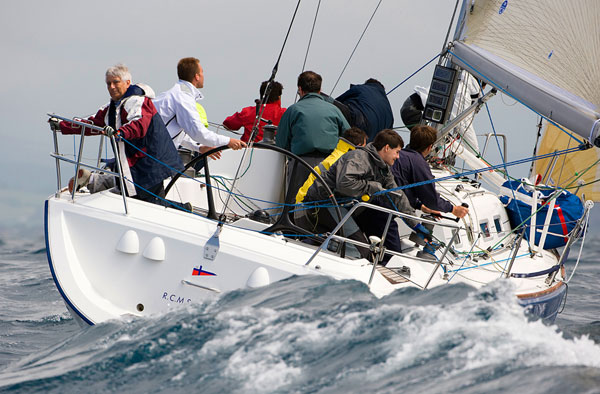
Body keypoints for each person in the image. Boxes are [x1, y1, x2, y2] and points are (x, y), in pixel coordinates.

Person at [49, 64, 184, 206]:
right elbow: (92, 123)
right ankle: (94, 182)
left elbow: (139, 124)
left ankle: (185, 209)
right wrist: (62, 125)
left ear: (127, 83)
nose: (111, 87)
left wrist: (120, 133)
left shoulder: (138, 101)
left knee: (151, 205)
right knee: (139, 201)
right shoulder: (112, 108)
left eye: (116, 82)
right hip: (134, 165)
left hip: (150, 165)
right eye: (108, 83)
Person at [305, 129, 421, 261]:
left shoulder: (383, 168)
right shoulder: (359, 158)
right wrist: (372, 186)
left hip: (342, 206)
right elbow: (344, 183)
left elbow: (396, 194)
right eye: (397, 152)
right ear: (387, 148)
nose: (398, 157)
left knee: (367, 237)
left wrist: (416, 224)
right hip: (323, 204)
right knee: (361, 251)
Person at [276, 71, 350, 198]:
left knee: (296, 205)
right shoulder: (334, 110)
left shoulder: (293, 110)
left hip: (301, 165)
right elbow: (349, 137)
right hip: (329, 165)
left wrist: (291, 157)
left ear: (300, 89)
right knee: (326, 204)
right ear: (320, 89)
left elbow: (281, 143)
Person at [153, 57, 246, 155]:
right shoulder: (183, 97)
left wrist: (199, 147)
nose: (203, 76)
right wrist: (228, 141)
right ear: (197, 76)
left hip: (152, 152)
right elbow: (198, 133)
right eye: (202, 72)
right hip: (153, 154)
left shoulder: (175, 93)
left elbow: (175, 132)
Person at [391, 125, 469, 225]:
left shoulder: (399, 154)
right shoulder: (418, 162)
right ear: (429, 147)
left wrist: (421, 206)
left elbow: (401, 187)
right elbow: (431, 199)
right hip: (385, 211)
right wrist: (453, 209)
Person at [295, 127, 367, 204]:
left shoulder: (338, 154)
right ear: (359, 145)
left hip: (304, 198)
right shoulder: (345, 160)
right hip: (308, 202)